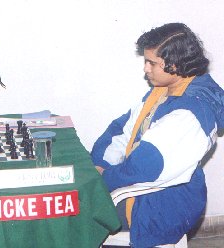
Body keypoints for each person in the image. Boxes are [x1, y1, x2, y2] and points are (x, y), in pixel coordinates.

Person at [90, 23, 224, 247]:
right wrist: (100, 164)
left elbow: (145, 167)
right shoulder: (163, 90)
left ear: (174, 64)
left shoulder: (189, 113)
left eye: (151, 63)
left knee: (75, 206)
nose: (146, 69)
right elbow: (121, 130)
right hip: (143, 183)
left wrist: (103, 177)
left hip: (161, 205)